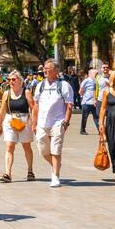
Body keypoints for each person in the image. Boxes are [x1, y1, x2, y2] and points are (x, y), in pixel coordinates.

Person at [30, 59, 73, 188]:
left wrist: (66, 123)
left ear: (56, 70)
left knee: (56, 150)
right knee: (43, 151)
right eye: (44, 68)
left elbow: (69, 105)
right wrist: (34, 122)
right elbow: (36, 105)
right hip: (42, 124)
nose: (45, 70)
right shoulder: (40, 85)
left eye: (48, 68)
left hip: (58, 123)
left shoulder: (64, 85)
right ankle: (56, 165)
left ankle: (55, 176)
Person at [0, 70, 36, 182]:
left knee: (26, 146)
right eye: (9, 80)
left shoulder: (26, 92)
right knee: (9, 146)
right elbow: (2, 110)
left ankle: (30, 171)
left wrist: (34, 123)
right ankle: (8, 173)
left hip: (24, 121)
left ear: (20, 81)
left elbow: (33, 108)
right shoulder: (6, 93)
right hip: (10, 120)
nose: (11, 82)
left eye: (13, 79)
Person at [78, 69, 99, 135]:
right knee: (84, 117)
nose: (97, 75)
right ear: (90, 74)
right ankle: (82, 130)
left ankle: (100, 130)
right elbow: (80, 90)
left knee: (96, 117)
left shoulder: (96, 81)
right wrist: (82, 97)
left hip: (94, 102)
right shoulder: (86, 81)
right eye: (96, 74)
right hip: (86, 102)